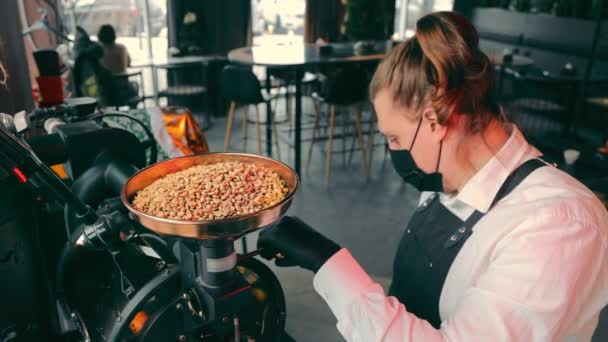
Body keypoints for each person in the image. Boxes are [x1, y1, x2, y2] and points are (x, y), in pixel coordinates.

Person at [258, 12, 608, 341]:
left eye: (394, 138)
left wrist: (327, 262)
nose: (393, 150)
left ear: (436, 122)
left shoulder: (559, 226)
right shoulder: (451, 177)